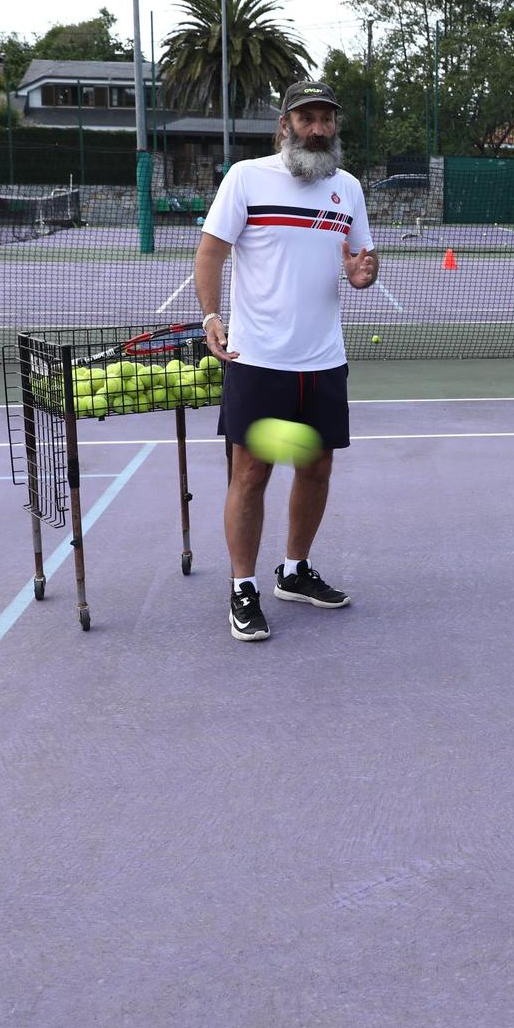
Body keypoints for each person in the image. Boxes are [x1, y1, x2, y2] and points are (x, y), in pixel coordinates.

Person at [195, 80, 380, 641]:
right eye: (307, 118)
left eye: (326, 118)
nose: (318, 128)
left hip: (323, 361)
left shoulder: (346, 188)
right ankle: (242, 586)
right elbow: (210, 251)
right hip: (258, 360)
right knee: (251, 473)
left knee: (316, 467)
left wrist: (360, 274)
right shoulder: (247, 178)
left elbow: (359, 261)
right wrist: (210, 316)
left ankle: (294, 572)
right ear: (285, 125)